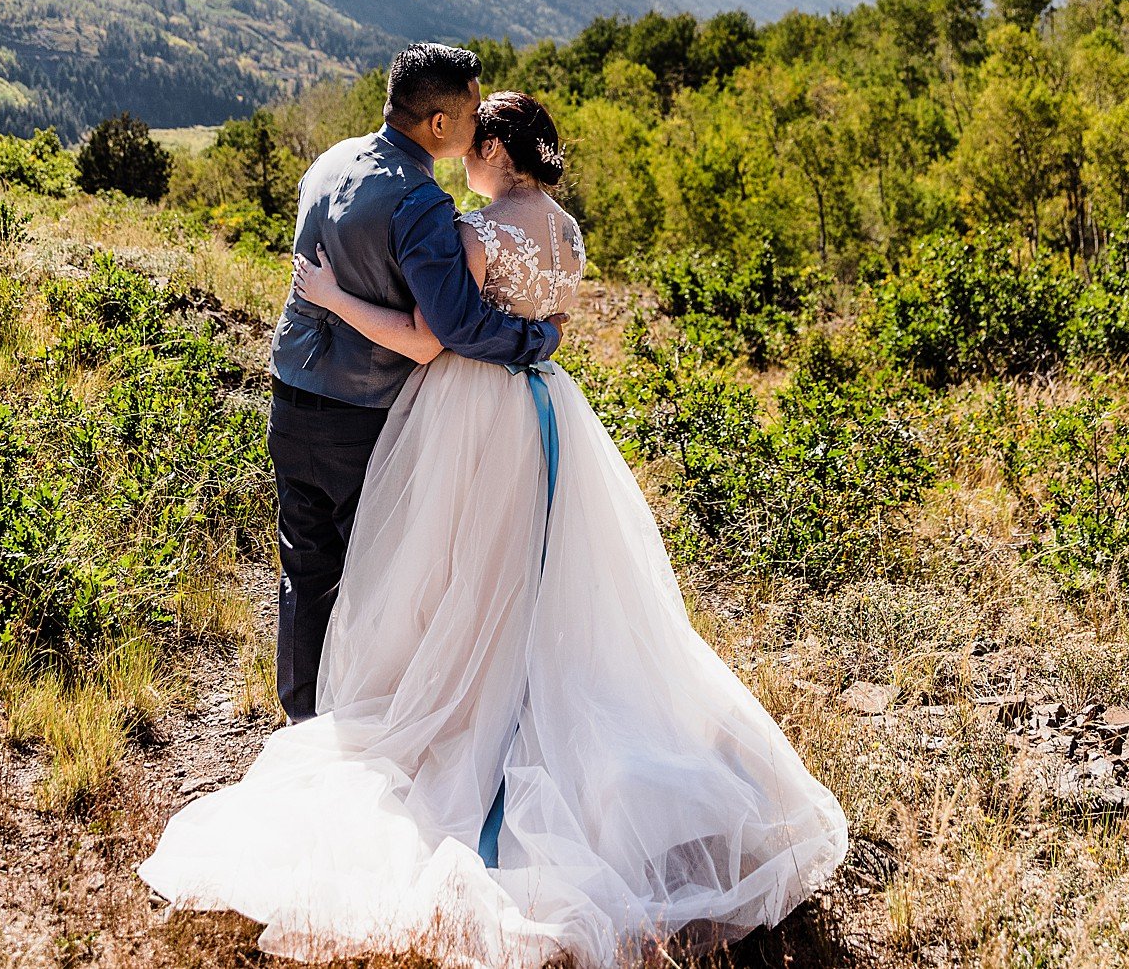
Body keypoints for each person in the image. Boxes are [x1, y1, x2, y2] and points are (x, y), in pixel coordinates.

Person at [142, 90, 846, 968]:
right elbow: (548, 323)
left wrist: (327, 292)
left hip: (474, 413)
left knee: (456, 567)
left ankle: (462, 711)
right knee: (543, 572)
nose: (464, 152)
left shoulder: (475, 234)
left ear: (499, 151)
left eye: (477, 142)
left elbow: (434, 339)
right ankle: (523, 695)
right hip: (549, 413)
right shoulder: (569, 232)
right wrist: (536, 335)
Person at [257, 43, 562, 723]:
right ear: (439, 126)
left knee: (304, 569)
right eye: (471, 111)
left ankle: (303, 718)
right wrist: (538, 339)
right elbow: (454, 326)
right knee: (376, 575)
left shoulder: (330, 160)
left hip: (289, 396)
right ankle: (363, 720)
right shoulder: (420, 201)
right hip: (360, 416)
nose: (480, 123)